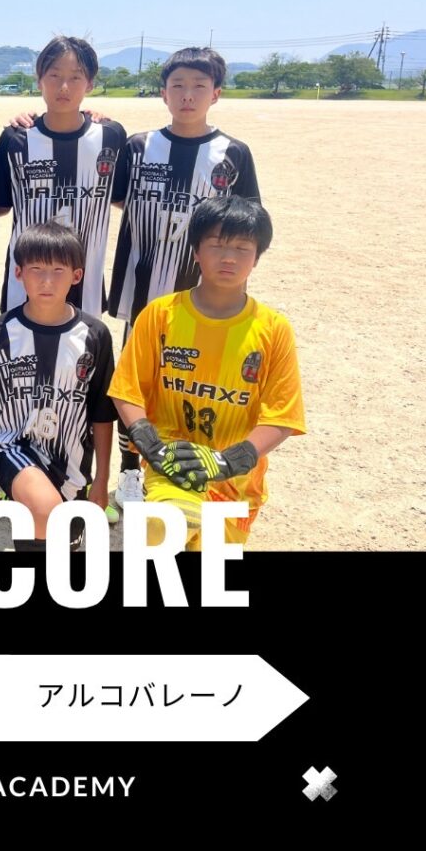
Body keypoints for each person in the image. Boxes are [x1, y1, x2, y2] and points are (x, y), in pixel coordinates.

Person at [108, 47, 262, 510]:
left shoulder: (232, 153)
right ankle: (130, 473)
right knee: (136, 384)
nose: (187, 95)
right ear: (163, 93)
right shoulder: (137, 147)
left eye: (199, 86)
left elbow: (246, 221)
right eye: (178, 86)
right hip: (141, 290)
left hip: (202, 296)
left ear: (216, 93)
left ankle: (192, 466)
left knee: (191, 381)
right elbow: (116, 198)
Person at [108, 197, 306, 549]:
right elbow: (127, 389)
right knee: (163, 526)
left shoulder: (274, 330)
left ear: (257, 257)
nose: (228, 258)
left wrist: (229, 460)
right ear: (196, 251)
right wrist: (152, 446)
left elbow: (282, 417)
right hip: (172, 465)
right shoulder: (160, 315)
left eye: (242, 248)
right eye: (216, 244)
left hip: (236, 483)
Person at [0, 223, 117, 550]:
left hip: (71, 459)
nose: (47, 281)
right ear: (19, 273)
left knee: (63, 540)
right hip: (11, 446)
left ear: (77, 276)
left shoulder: (95, 335)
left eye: (58, 271)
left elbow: (101, 414)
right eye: (36, 270)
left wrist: (101, 480)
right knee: (46, 512)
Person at [0, 35, 126, 316]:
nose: (64, 87)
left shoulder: (111, 136)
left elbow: (120, 198)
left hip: (86, 282)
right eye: (54, 75)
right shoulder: (15, 139)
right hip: (25, 283)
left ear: (90, 84)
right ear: (39, 80)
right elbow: (2, 205)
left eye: (75, 77)